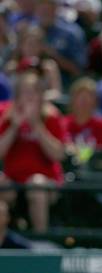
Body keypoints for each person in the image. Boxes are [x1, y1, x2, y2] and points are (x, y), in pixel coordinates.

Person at [0, 71, 66, 233]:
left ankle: (41, 240)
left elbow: (58, 154)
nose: (29, 97)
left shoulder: (51, 116)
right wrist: (14, 127)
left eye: (33, 92)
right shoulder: (7, 115)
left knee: (36, 185)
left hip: (45, 181)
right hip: (13, 180)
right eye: (25, 92)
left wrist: (36, 125)